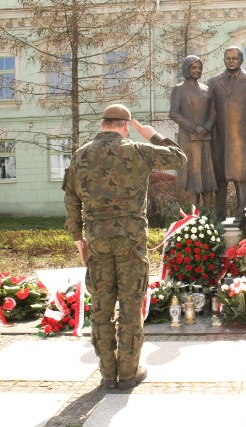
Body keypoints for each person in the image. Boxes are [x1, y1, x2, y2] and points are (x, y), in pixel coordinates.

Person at [63, 104, 187, 390]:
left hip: (97, 240)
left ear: (102, 123)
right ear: (126, 125)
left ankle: (108, 373)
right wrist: (152, 135)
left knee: (101, 306)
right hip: (131, 241)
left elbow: (71, 199)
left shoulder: (81, 155)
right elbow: (179, 158)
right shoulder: (137, 150)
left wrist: (78, 238)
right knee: (130, 306)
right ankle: (129, 372)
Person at [207, 46, 246, 221]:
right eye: (228, 58)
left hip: (240, 136)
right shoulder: (214, 82)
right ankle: (219, 215)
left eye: (235, 58)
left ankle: (243, 214)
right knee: (220, 178)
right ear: (224, 60)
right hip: (219, 137)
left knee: (241, 178)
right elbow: (209, 109)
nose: (231, 61)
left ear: (241, 60)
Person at [169, 55, 217, 209]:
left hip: (205, 138)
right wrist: (195, 128)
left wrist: (207, 127)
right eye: (194, 67)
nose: (197, 70)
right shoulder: (178, 89)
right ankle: (194, 214)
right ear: (186, 69)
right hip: (188, 139)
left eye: (199, 68)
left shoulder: (207, 89)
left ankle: (208, 214)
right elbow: (174, 114)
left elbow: (213, 111)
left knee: (207, 176)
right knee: (194, 176)